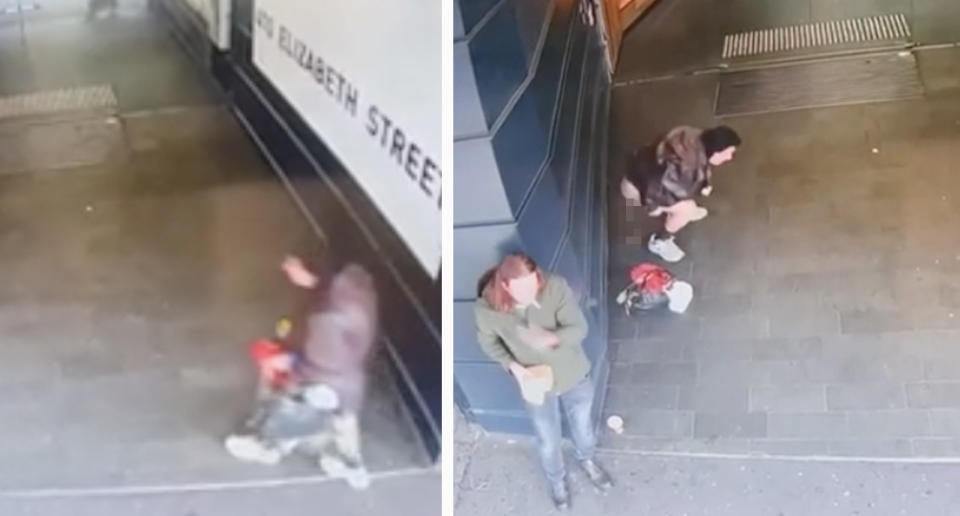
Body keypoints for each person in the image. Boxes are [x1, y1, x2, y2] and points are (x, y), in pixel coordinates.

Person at [224, 256, 378, 490]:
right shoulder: (357, 292)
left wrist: (285, 362)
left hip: (325, 378)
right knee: (344, 420)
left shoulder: (326, 319)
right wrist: (309, 279)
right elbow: (328, 287)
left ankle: (268, 448)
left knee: (293, 405)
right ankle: (352, 465)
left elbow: (319, 363)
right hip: (351, 381)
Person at [474, 253, 612, 510]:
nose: (530, 293)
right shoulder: (486, 309)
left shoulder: (555, 286)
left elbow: (579, 328)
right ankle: (557, 481)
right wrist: (514, 367)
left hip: (572, 373)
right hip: (534, 382)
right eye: (521, 289)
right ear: (505, 285)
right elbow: (488, 344)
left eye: (533, 284)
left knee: (583, 427)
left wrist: (550, 339)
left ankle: (587, 461)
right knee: (548, 438)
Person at [621, 125, 741, 262]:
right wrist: (654, 207)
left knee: (687, 204)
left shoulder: (688, 133)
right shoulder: (687, 170)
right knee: (686, 210)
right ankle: (660, 241)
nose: (730, 157)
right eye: (728, 153)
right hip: (637, 190)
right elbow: (656, 190)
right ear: (716, 152)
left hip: (636, 170)